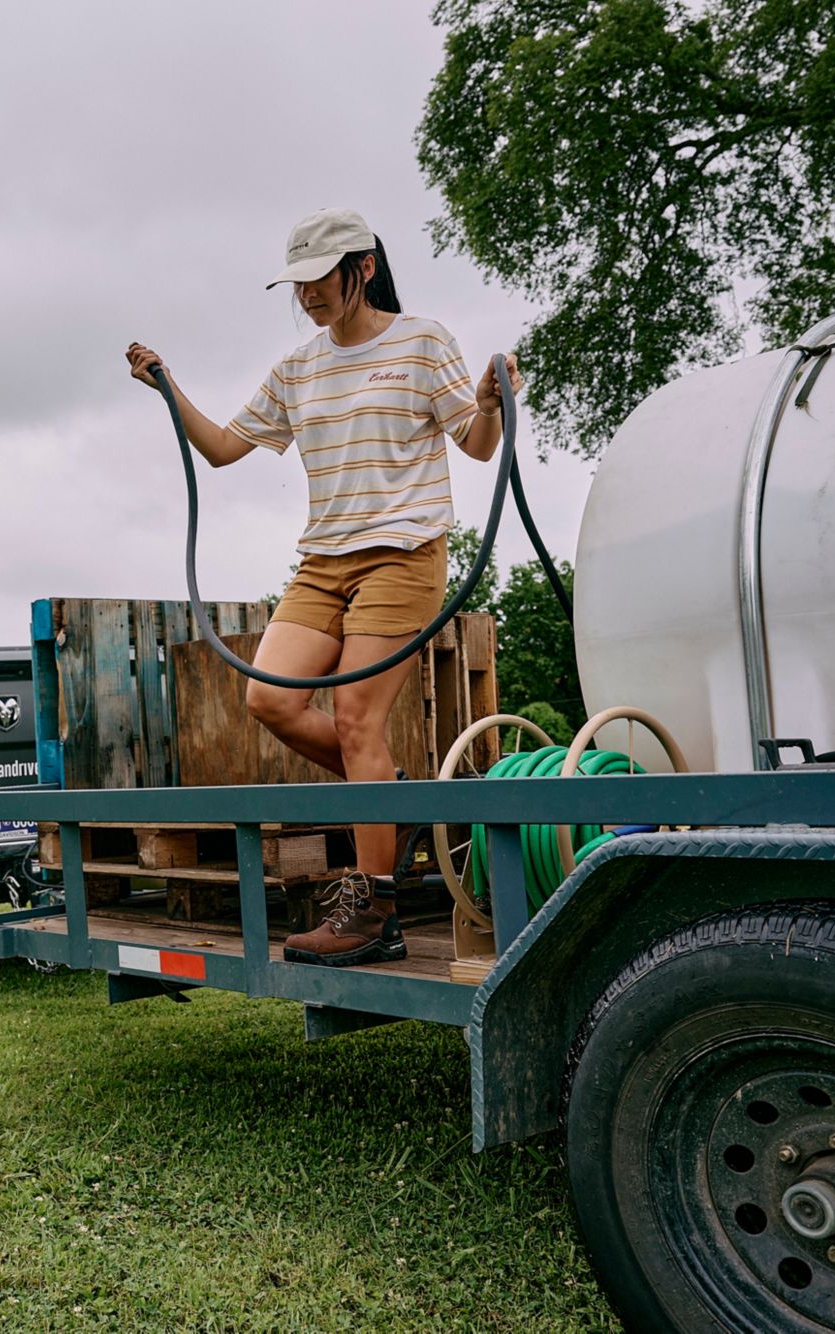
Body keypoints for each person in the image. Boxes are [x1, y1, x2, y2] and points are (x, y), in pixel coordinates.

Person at [126, 206, 520, 967]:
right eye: (297, 283)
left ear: (363, 267)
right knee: (269, 699)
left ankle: (376, 911)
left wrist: (492, 407)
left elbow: (475, 446)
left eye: (320, 278)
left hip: (402, 554)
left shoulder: (422, 341)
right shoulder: (297, 369)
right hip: (323, 563)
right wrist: (166, 388)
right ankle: (390, 799)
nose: (307, 294)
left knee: (355, 719)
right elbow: (223, 449)